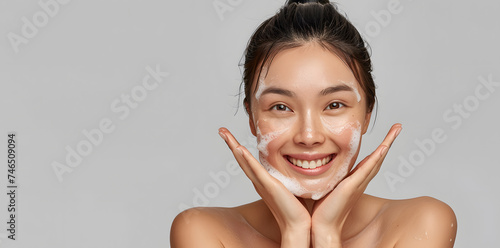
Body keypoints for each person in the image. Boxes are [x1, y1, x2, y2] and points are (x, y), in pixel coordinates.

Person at [171, 0, 457, 247]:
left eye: (334, 105)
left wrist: (327, 235)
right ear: (252, 119)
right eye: (281, 107)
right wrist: (295, 233)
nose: (308, 136)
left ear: (367, 113)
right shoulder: (202, 231)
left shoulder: (423, 223)